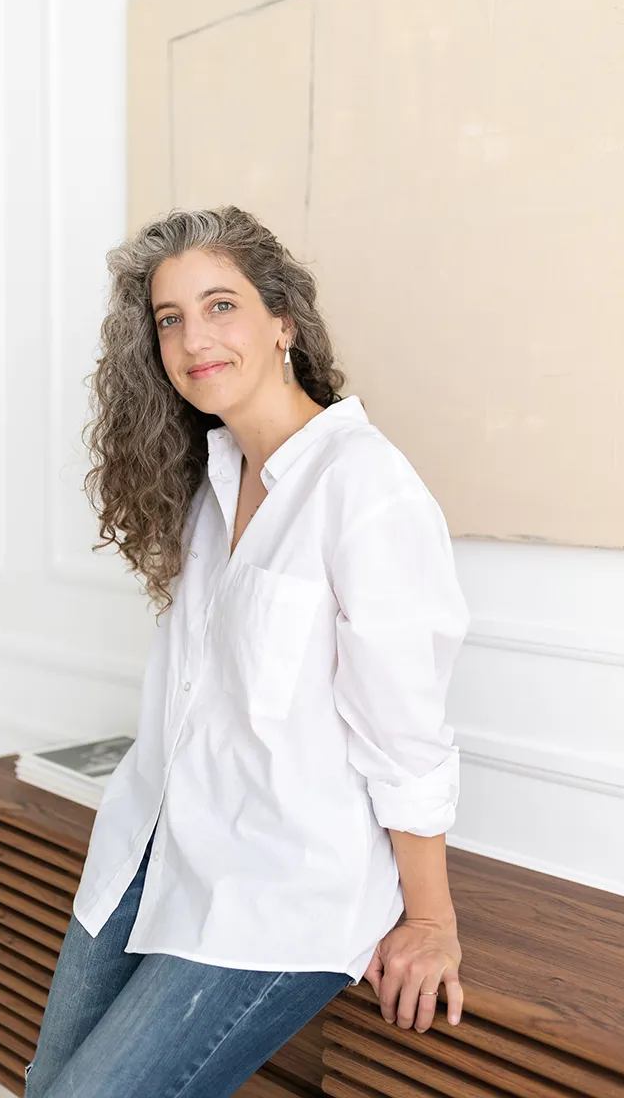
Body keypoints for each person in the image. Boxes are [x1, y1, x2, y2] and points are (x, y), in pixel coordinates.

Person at [24, 205, 471, 1097]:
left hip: (277, 891)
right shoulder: (213, 482)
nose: (194, 339)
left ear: (283, 323)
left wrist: (430, 919)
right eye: (170, 318)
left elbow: (405, 731)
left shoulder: (365, 487)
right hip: (149, 848)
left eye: (220, 305)